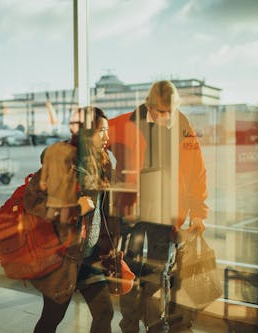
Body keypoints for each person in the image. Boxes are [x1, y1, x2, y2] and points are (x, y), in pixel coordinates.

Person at [107, 80, 208, 332]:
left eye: (171, 111)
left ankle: (154, 323)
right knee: (128, 271)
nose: (167, 117)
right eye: (162, 112)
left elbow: (197, 171)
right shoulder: (125, 123)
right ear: (150, 107)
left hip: (165, 215)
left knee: (158, 273)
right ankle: (129, 324)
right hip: (132, 214)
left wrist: (198, 214)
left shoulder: (183, 126)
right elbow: (93, 138)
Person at [32, 106, 114, 333]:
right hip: (63, 259)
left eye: (108, 131)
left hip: (90, 258)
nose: (107, 136)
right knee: (51, 319)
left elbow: (104, 213)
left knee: (105, 313)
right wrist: (75, 208)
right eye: (102, 131)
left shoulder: (104, 163)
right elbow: (34, 203)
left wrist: (110, 245)